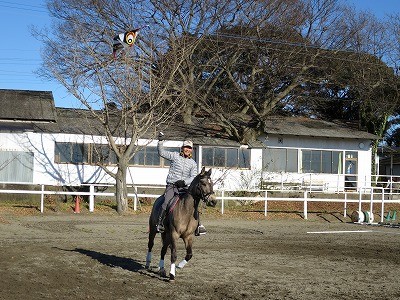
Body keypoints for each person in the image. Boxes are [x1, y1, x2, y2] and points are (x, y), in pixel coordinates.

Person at [156, 132, 207, 235]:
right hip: (172, 185)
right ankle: (160, 223)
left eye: (189, 148)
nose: (187, 149)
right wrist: (160, 141)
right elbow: (161, 152)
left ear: (191, 150)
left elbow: (193, 177)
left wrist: (184, 182)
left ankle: (198, 225)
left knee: (194, 202)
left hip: (184, 187)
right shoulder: (174, 156)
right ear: (182, 148)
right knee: (166, 201)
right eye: (186, 147)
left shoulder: (193, 163)